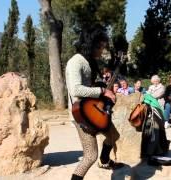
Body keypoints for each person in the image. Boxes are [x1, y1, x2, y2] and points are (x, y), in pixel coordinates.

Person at [65, 26, 123, 180]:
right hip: (82, 115)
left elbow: (89, 85)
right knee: (90, 156)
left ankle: (104, 161)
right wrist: (103, 91)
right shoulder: (75, 62)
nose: (102, 51)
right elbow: (75, 90)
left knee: (112, 136)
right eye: (101, 47)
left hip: (94, 110)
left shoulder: (88, 61)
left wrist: (103, 87)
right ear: (92, 45)